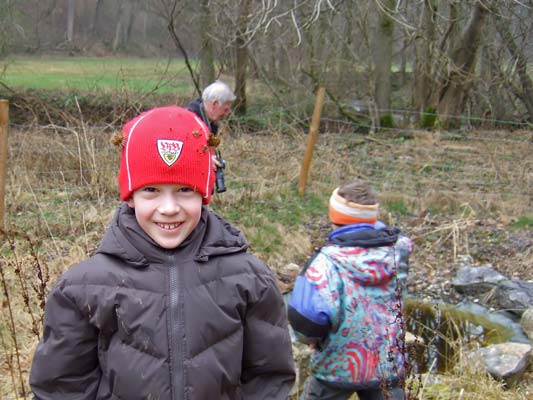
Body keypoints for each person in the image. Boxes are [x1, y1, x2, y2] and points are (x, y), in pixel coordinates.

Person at [29, 106, 295, 399]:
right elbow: (62, 386)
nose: (169, 208)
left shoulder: (250, 279)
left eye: (184, 190)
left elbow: (268, 380)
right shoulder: (83, 287)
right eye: (151, 190)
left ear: (204, 194)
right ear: (130, 196)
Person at [288, 180, 413, 400]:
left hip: (337, 367)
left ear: (334, 217)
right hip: (387, 365)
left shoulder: (325, 262)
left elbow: (304, 318)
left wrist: (313, 340)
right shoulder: (398, 251)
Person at [187, 80, 236, 193]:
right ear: (215, 104)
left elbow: (209, 149)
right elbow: (179, 154)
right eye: (226, 109)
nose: (227, 114)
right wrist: (205, 160)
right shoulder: (189, 120)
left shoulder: (211, 123)